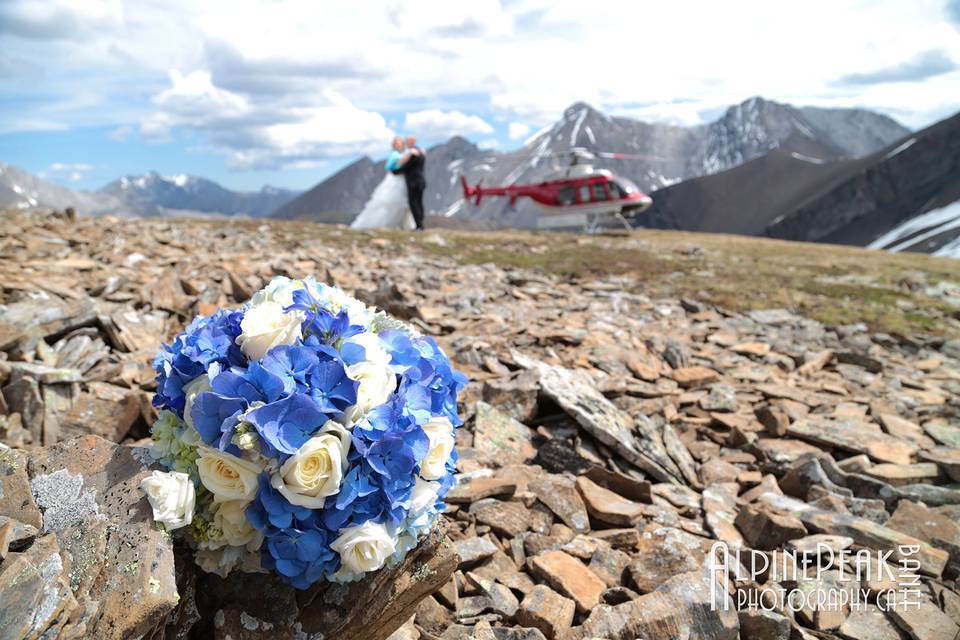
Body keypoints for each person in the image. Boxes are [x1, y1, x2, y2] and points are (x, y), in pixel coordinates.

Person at [350, 136, 416, 230]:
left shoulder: (400, 154)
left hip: (400, 180)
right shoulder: (395, 155)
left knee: (401, 203)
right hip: (394, 181)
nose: (397, 145)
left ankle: (404, 224)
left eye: (399, 143)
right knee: (389, 202)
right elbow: (389, 167)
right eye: (396, 143)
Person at [396, 135, 426, 230]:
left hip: (414, 182)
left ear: (412, 142)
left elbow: (406, 167)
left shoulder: (414, 154)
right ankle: (420, 224)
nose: (406, 143)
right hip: (420, 181)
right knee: (419, 202)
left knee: (413, 203)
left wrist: (394, 171)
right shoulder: (421, 152)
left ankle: (419, 225)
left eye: (408, 141)